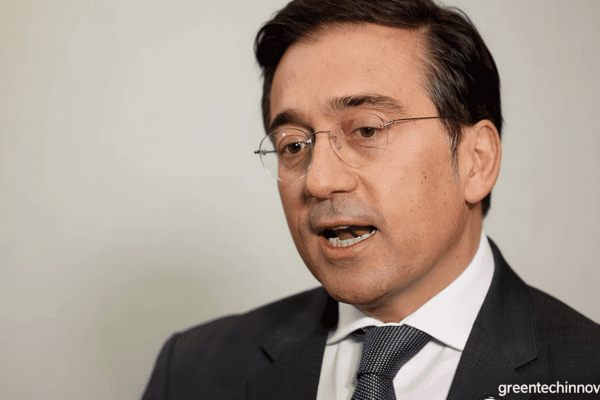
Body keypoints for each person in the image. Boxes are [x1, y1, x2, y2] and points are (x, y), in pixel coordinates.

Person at [141, 0, 600, 399]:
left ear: (476, 161)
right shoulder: (193, 372)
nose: (319, 181)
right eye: (294, 145)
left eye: (365, 130)